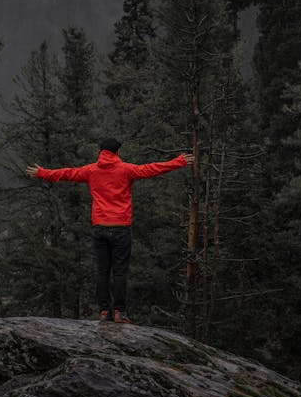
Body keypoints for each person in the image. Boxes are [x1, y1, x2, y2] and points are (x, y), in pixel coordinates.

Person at [26, 138, 194, 324]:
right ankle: (119, 312)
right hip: (121, 227)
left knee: (102, 271)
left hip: (100, 227)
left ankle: (104, 310)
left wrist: (42, 172)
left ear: (101, 152)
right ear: (117, 152)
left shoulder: (91, 170)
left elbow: (67, 173)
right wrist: (179, 161)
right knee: (120, 271)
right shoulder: (126, 170)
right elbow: (152, 169)